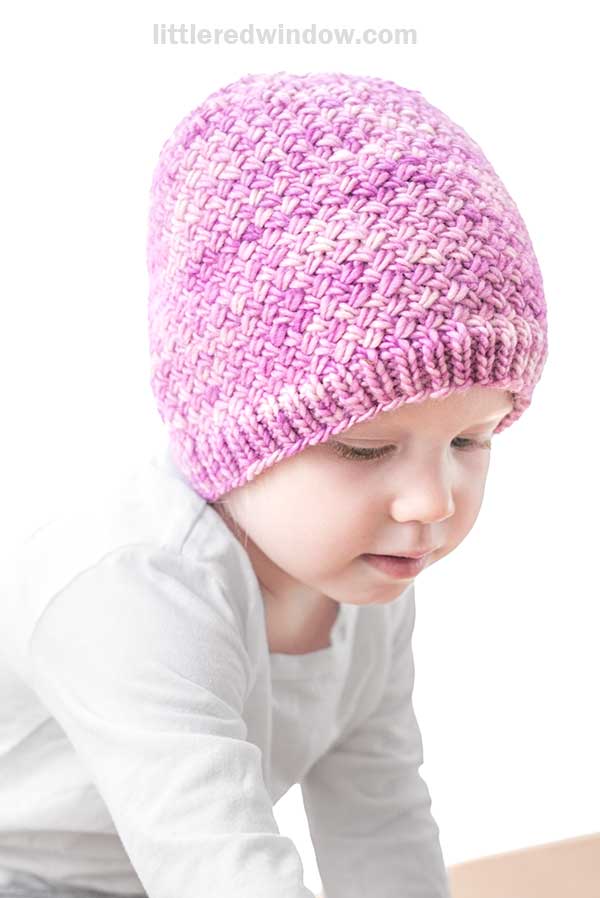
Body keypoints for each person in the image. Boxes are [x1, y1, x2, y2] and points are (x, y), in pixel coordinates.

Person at [0, 70, 548, 898]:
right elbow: (219, 868)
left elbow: (379, 814)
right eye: (366, 449)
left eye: (471, 439)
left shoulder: (366, 579)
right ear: (238, 433)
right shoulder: (130, 587)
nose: (432, 502)